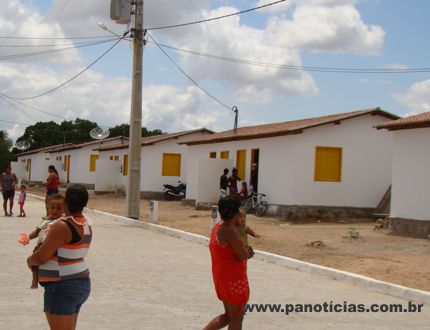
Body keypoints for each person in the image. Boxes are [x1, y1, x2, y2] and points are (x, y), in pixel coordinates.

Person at [27, 185, 92, 330]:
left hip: (62, 285)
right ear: (84, 204)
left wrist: (30, 260)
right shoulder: (87, 225)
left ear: (66, 202)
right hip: (81, 282)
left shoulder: (62, 226)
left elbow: (41, 256)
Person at [204, 197, 252, 330]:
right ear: (235, 212)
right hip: (233, 279)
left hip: (222, 277)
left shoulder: (218, 226)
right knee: (237, 316)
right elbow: (243, 255)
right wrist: (248, 252)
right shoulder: (230, 230)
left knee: (229, 316)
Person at [19, 194, 65, 288]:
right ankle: (35, 278)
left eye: (59, 208)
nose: (55, 210)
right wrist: (28, 237)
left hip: (54, 245)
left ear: (64, 210)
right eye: (52, 208)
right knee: (34, 259)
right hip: (41, 245)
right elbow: (37, 232)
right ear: (48, 208)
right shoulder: (44, 221)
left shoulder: (63, 221)